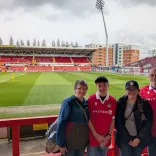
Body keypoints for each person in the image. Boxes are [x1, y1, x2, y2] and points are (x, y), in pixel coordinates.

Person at [115, 80, 153, 156]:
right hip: (124, 139)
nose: (132, 92)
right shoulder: (120, 102)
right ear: (126, 90)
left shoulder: (144, 103)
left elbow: (149, 122)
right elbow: (118, 122)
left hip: (139, 140)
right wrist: (128, 139)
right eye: (129, 89)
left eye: (134, 89)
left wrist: (139, 138)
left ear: (138, 91)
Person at [56, 80, 89, 156]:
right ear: (75, 90)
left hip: (81, 143)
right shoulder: (68, 102)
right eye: (79, 88)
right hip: (69, 144)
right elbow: (61, 123)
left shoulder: (86, 103)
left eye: (84, 89)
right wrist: (62, 144)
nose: (82, 91)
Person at [87, 76, 116, 156]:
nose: (102, 88)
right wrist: (96, 135)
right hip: (93, 138)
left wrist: (109, 135)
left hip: (106, 138)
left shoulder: (113, 101)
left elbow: (113, 119)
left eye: (104, 86)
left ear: (108, 86)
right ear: (96, 86)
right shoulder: (91, 99)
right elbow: (88, 119)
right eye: (99, 86)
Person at [140, 68, 156, 156]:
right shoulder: (143, 91)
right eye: (152, 75)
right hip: (149, 131)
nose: (154, 78)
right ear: (148, 77)